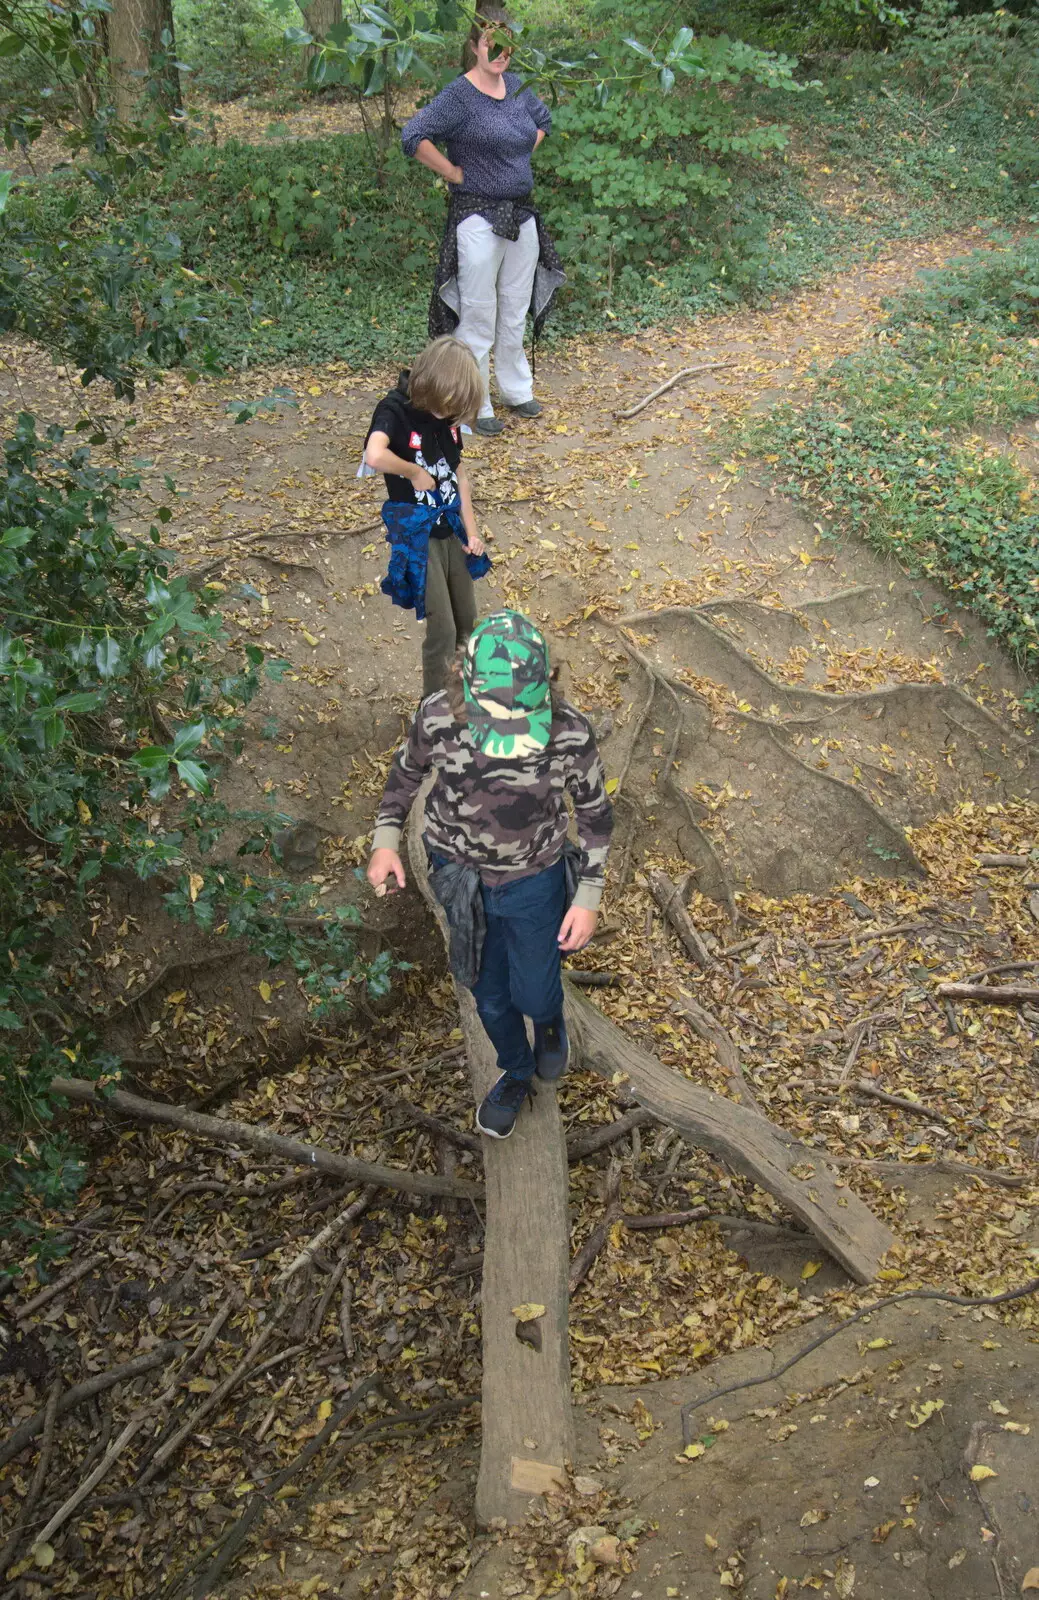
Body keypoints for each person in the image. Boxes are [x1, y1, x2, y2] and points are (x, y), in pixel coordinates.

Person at [367, 610, 613, 1139]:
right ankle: (516, 1070)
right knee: (489, 994)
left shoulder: (568, 732)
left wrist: (587, 894)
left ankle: (550, 1022)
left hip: (535, 876)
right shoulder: (437, 717)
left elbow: (595, 814)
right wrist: (386, 839)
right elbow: (405, 773)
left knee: (537, 993)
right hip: (459, 874)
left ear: (545, 687)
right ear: (465, 683)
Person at [400, 4, 565, 437]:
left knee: (513, 308)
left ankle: (515, 390)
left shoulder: (516, 87)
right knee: (476, 311)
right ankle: (475, 403)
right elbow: (412, 136)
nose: (500, 53)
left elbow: (544, 121)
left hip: (522, 214)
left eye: (507, 46)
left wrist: (517, 157)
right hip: (476, 216)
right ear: (474, 47)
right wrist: (452, 172)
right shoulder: (459, 95)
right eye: (492, 45)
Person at [362, 335, 491, 698]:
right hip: (419, 536)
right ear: (432, 386)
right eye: (449, 404)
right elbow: (374, 455)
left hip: (451, 527)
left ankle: (468, 697)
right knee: (444, 630)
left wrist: (472, 532)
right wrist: (412, 472)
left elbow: (459, 476)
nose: (452, 414)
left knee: (468, 621)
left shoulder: (446, 417)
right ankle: (434, 710)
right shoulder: (395, 410)